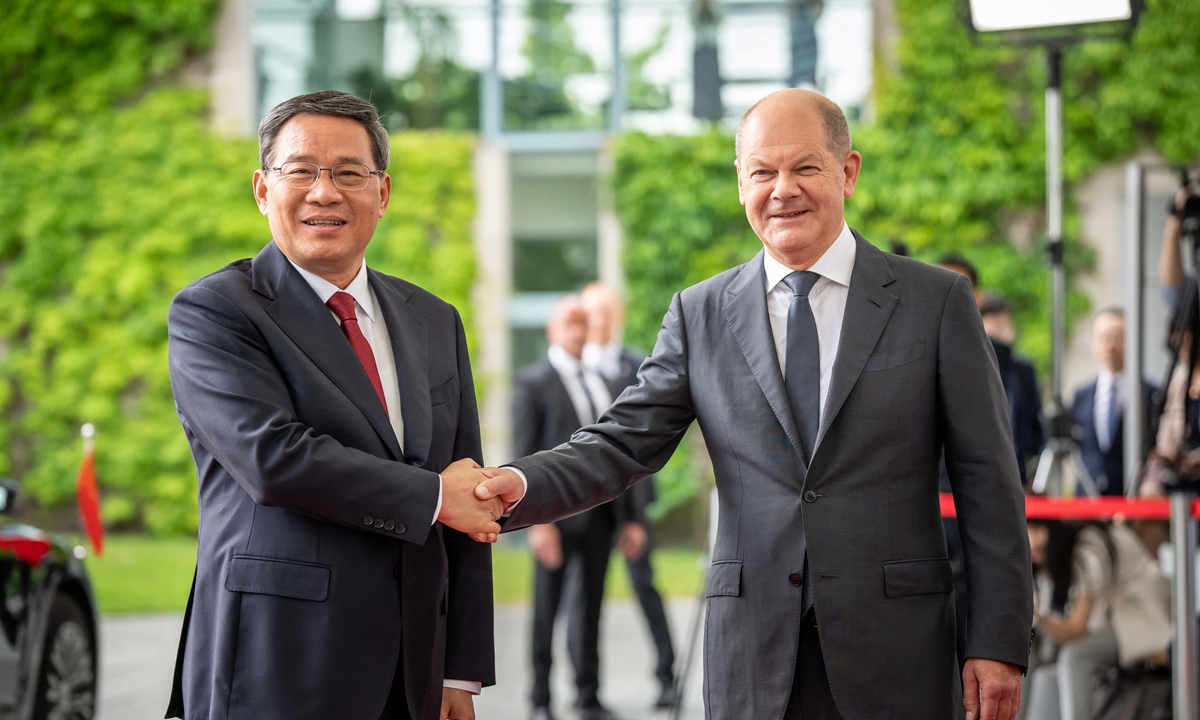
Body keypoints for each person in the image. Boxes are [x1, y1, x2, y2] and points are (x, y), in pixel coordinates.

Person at [478, 89, 1032, 720]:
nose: (782, 190)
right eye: (763, 172)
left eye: (805, 168)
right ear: (741, 182)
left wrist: (998, 642)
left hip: (899, 654)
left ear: (848, 172)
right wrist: (516, 484)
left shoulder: (935, 302)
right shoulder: (699, 314)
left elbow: (989, 481)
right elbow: (620, 443)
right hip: (752, 658)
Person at [165, 91, 504, 720]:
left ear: (383, 193)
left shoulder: (434, 320)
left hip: (414, 671)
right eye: (301, 171)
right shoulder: (216, 311)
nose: (324, 192)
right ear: (263, 190)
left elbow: (469, 493)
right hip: (277, 661)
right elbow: (274, 459)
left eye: (349, 173)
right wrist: (434, 496)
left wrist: (461, 668)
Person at [517, 295, 639, 720]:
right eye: (569, 323)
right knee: (546, 610)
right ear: (551, 330)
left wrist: (630, 519)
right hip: (553, 519)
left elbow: (619, 456)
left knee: (591, 609)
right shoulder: (533, 383)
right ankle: (540, 699)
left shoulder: (603, 382)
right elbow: (523, 454)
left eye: (583, 323)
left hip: (601, 517)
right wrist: (537, 524)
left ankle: (588, 695)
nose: (577, 331)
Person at [579, 282, 678, 710]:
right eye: (591, 314)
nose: (598, 322)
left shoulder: (640, 364)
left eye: (605, 313)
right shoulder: (573, 368)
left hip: (631, 500)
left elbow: (646, 442)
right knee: (584, 599)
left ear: (617, 316)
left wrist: (635, 518)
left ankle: (668, 677)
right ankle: (587, 691)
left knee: (645, 587)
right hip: (588, 506)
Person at [1021, 519, 1170, 720]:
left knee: (1075, 656)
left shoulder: (1089, 548)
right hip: (1113, 614)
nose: (1032, 541)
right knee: (1031, 652)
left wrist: (1038, 619)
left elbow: (1076, 628)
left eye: (1037, 529)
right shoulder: (1059, 557)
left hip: (1144, 613)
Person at [1071, 308, 1157, 496]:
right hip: (1087, 499)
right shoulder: (1080, 396)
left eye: (1117, 337)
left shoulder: (1152, 395)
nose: (1109, 345)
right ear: (1093, 342)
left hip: (1134, 497)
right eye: (1103, 337)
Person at [979, 295, 1045, 483]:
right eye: (994, 323)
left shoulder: (1022, 370)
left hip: (1016, 466)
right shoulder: (972, 365)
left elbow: (1034, 417)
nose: (1001, 330)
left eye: (1004, 323)